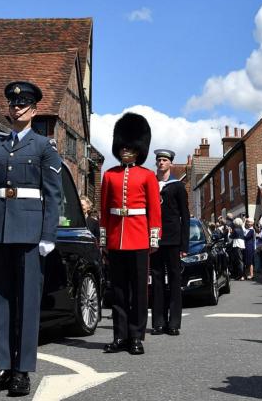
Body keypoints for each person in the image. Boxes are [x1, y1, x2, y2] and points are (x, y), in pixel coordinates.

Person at [0, 81, 62, 396]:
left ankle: (22, 371)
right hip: (0, 231)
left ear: (34, 109)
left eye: (23, 103)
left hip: (30, 233)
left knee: (27, 305)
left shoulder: (44, 147)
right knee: (2, 303)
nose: (17, 107)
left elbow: (53, 196)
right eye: (13, 103)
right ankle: (2, 368)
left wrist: (48, 235)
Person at [101, 113, 161, 355]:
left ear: (138, 149)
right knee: (118, 292)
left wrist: (153, 237)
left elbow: (154, 211)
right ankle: (120, 336)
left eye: (130, 147)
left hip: (138, 238)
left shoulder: (147, 176)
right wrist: (104, 239)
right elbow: (104, 209)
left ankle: (136, 337)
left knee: (138, 292)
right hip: (116, 238)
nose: (126, 151)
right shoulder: (109, 175)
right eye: (123, 147)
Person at [150, 148, 189, 337]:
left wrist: (184, 245)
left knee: (174, 281)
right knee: (156, 281)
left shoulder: (178, 186)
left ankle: (174, 323)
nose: (161, 163)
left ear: (170, 164)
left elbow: (185, 216)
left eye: (165, 160)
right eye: (159, 160)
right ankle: (158, 322)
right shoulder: (150, 183)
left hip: (173, 239)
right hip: (155, 239)